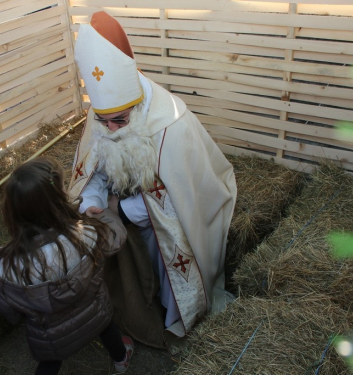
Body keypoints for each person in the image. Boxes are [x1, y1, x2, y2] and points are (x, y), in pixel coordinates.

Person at [68, 11, 237, 347]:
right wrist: (94, 204)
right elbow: (93, 174)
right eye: (104, 122)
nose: (111, 130)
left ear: (138, 105)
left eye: (119, 121)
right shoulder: (103, 117)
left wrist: (123, 209)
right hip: (127, 216)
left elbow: (180, 201)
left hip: (168, 225)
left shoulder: (170, 125)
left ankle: (173, 312)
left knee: (168, 270)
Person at [0, 156, 134, 375]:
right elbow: (116, 239)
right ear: (58, 199)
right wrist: (104, 215)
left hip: (51, 337)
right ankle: (121, 360)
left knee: (50, 363)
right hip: (96, 315)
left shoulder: (7, 269)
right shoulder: (85, 234)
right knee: (109, 330)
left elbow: (10, 314)